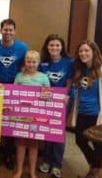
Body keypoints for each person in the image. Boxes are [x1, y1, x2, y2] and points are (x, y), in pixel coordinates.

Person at [0, 18, 27, 171]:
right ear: (0, 30)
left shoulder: (22, 47)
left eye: (11, 30)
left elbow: (24, 67)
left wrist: (21, 85)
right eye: (5, 29)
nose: (8, 32)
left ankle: (8, 155)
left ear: (14, 31)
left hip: (14, 87)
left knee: (11, 122)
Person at [71, 40, 102, 178]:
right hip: (82, 112)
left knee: (98, 145)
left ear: (93, 52)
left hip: (97, 115)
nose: (83, 53)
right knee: (80, 140)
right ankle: (97, 166)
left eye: (86, 50)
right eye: (81, 51)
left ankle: (95, 170)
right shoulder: (80, 69)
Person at [38, 34, 73, 178]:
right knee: (47, 128)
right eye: (51, 45)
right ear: (47, 46)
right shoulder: (43, 63)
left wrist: (67, 94)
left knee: (58, 131)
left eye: (57, 45)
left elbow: (70, 80)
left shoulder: (69, 62)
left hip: (63, 100)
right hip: (47, 101)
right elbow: (40, 80)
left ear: (62, 47)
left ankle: (57, 165)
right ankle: (46, 160)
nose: (54, 48)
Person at [13, 50, 50, 178]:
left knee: (34, 144)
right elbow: (13, 94)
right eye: (28, 61)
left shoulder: (43, 77)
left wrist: (46, 97)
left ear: (38, 62)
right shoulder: (19, 76)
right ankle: (19, 170)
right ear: (25, 62)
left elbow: (48, 97)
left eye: (34, 62)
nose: (31, 64)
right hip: (21, 115)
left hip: (36, 116)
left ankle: (33, 172)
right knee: (20, 143)